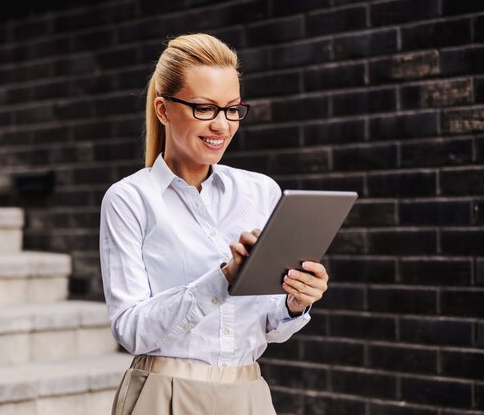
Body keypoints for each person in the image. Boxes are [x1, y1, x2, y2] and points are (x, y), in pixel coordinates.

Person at [99, 33, 329, 415]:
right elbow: (131, 330)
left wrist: (295, 301)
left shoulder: (261, 191)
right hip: (165, 395)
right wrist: (224, 277)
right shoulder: (129, 199)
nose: (222, 125)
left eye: (232, 109)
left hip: (249, 395)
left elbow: (268, 323)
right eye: (204, 108)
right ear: (163, 109)